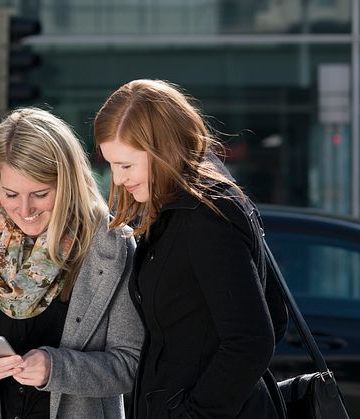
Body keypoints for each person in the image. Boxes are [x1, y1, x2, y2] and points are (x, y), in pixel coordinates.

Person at [0, 108, 142, 419]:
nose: (25, 209)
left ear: (67, 184)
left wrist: (57, 368)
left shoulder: (109, 247)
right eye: (11, 194)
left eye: (40, 193)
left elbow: (130, 364)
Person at [94, 79, 288, 419]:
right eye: (112, 165)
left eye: (126, 165)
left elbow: (252, 340)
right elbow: (272, 313)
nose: (119, 179)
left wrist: (192, 412)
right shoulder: (178, 210)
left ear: (163, 150)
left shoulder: (206, 215)